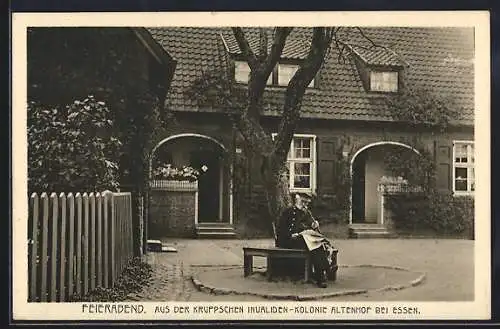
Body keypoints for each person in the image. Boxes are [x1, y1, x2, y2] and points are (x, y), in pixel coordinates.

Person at [276, 192, 336, 288]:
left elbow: (309, 229)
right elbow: (280, 229)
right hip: (288, 240)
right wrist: (291, 234)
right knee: (314, 243)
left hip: (304, 241)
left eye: (307, 203)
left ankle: (322, 276)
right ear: (297, 200)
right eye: (303, 202)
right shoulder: (288, 212)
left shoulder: (307, 214)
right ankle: (325, 270)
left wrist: (314, 225)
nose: (305, 205)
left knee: (314, 244)